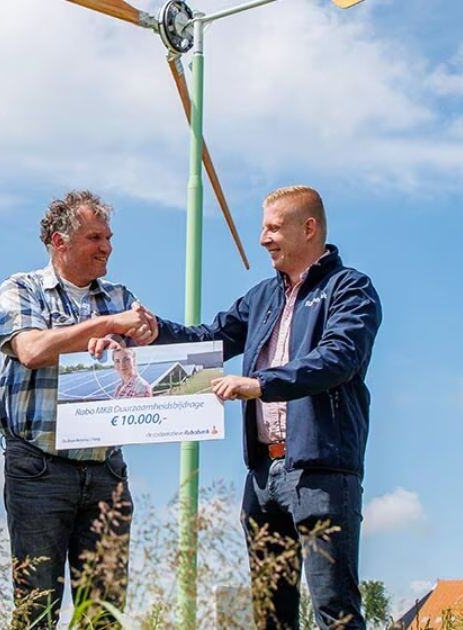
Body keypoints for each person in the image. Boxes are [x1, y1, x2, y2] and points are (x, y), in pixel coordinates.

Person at [105, 185, 382, 629]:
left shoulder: (350, 289)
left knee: (335, 609)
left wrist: (260, 384)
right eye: (263, 228)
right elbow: (210, 338)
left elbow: (337, 359)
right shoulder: (261, 297)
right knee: (270, 613)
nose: (262, 238)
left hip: (322, 471)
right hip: (262, 476)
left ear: (308, 228)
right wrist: (155, 331)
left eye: (273, 228)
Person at [0, 190, 160, 626]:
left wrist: (142, 334)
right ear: (58, 241)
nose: (106, 247)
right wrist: (107, 326)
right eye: (94, 237)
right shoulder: (20, 289)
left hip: (106, 470)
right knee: (36, 608)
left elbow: (147, 353)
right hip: (39, 470)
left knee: (103, 611)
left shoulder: (122, 296)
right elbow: (30, 350)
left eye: (108, 237)